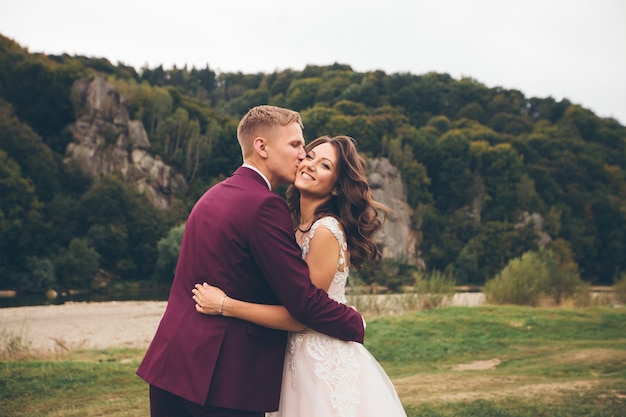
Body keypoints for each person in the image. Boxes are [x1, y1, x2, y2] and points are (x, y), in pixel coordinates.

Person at [136, 106, 366, 417]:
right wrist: (352, 321)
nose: (302, 156)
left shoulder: (211, 197)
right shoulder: (264, 206)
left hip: (170, 368)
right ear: (261, 146)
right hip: (222, 382)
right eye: (297, 146)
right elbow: (304, 304)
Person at [193, 135, 408, 417]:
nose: (310, 165)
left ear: (336, 187)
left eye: (325, 165)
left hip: (319, 360)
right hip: (292, 356)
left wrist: (225, 305)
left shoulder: (325, 231)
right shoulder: (296, 228)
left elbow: (303, 314)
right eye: (309, 156)